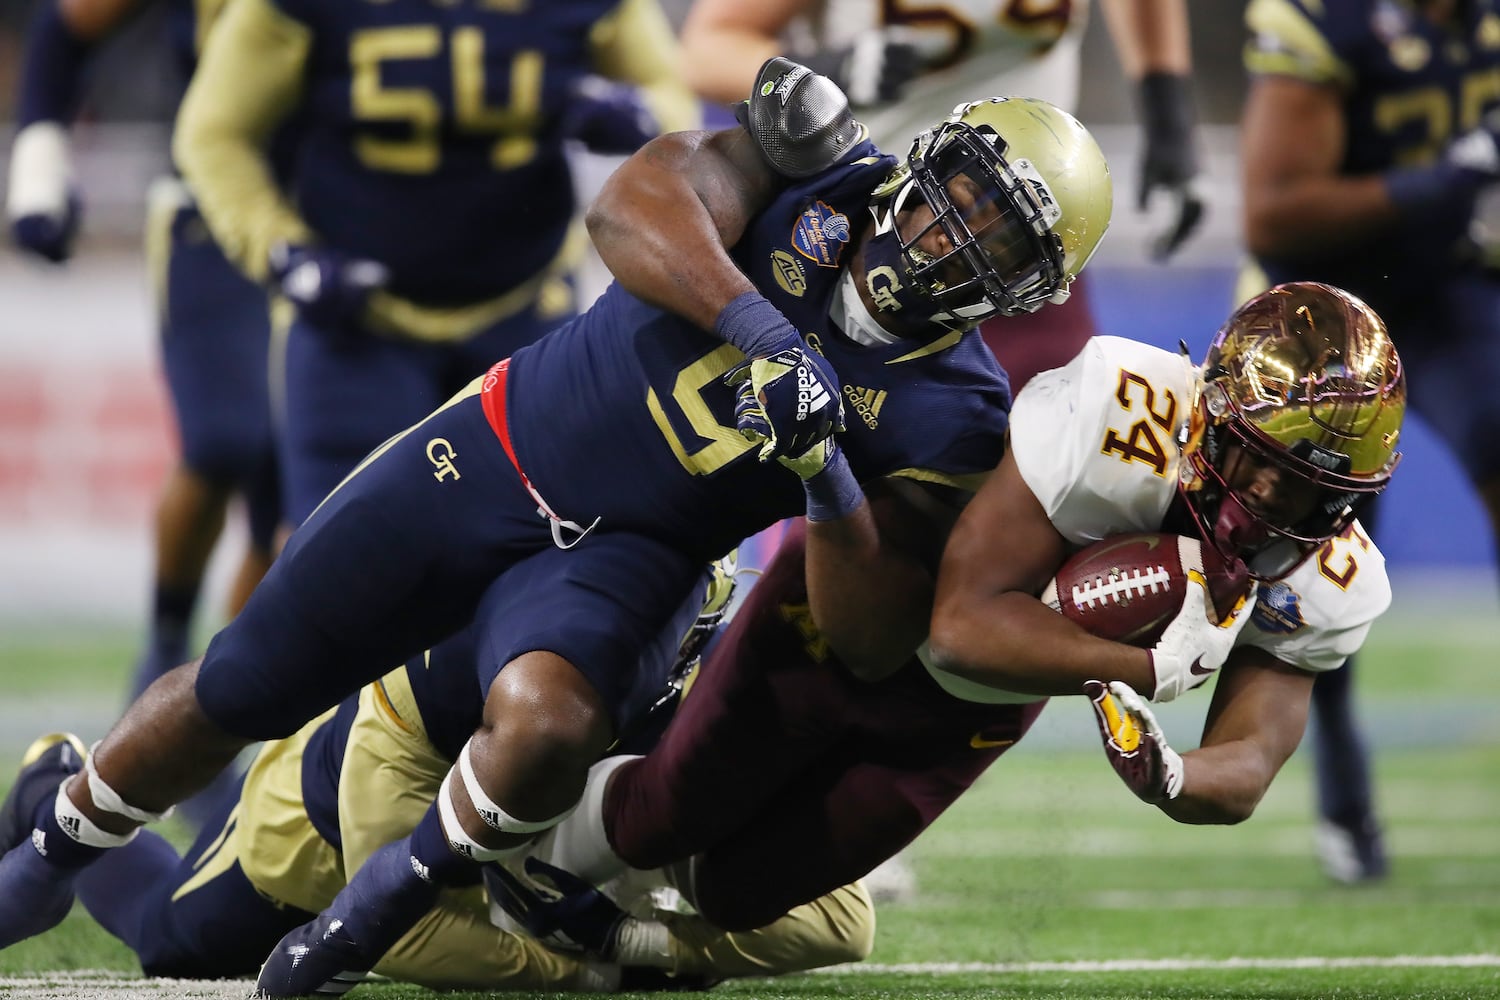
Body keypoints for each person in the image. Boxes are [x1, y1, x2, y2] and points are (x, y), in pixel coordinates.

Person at [0, 62, 1111, 996]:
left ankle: (387, 902)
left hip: (641, 552)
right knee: (244, 680)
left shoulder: (959, 413)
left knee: (552, 724)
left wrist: (825, 474)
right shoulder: (819, 164)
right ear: (930, 159)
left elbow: (867, 636)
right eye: (960, 194)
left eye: (998, 242)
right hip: (494, 450)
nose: (952, 234)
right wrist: (763, 331)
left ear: (1026, 293)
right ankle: (55, 836)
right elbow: (631, 208)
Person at [489, 281, 1405, 938]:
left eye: (1314, 491)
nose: (1273, 504)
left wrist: (1171, 777)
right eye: (1261, 463)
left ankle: (598, 911)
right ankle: (489, 865)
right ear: (1209, 412)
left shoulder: (1331, 578)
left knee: (737, 894)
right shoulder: (1118, 414)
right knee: (662, 813)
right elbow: (960, 626)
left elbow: (1245, 764)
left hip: (972, 712)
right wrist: (1142, 668)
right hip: (874, 599)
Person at [0, 560, 875, 990]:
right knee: (176, 945)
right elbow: (396, 928)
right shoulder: (433, 684)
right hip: (348, 822)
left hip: (557, 844)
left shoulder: (730, 671)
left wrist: (630, 939)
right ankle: (55, 784)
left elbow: (842, 918)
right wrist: (584, 970)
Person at [171, 0, 700, 526]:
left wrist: (640, 115)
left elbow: (671, 93)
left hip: (525, 301)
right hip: (359, 317)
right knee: (341, 564)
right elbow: (215, 132)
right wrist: (278, 248)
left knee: (540, 549)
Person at [1239, 0, 1500, 882]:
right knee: (1325, 564)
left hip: (1447, 283)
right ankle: (1344, 798)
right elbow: (1273, 213)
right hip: (1322, 306)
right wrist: (1452, 177)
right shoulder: (1329, 19)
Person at [677, 0, 1204, 389]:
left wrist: (1167, 108)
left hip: (1023, 235)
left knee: (1053, 459)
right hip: (875, 229)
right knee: (843, 459)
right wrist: (829, 73)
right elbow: (705, 51)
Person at [5, 0, 282, 725]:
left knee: (292, 496)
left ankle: (227, 691)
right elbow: (67, 27)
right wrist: (40, 162)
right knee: (226, 439)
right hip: (214, 207)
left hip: (349, 217)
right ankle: (165, 645)